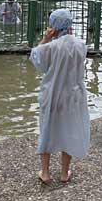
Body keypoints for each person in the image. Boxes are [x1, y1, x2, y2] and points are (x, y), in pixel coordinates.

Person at [29, 9, 90, 185]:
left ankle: (45, 173)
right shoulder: (81, 45)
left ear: (53, 26)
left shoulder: (51, 47)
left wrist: (46, 38)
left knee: (47, 129)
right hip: (73, 95)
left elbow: (36, 58)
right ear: (70, 25)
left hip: (52, 94)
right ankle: (64, 173)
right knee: (68, 130)